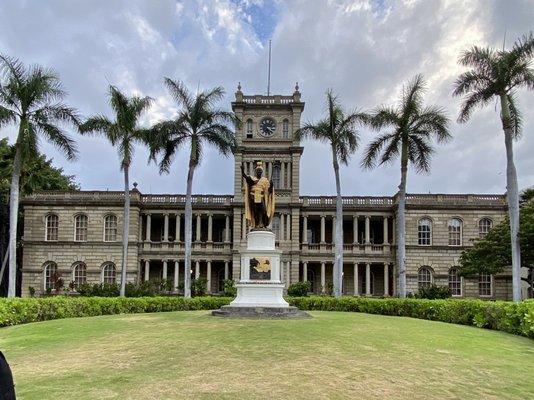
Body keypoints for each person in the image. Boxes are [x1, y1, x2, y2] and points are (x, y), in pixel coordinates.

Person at [242, 161, 275, 229]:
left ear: (262, 172)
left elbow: (269, 191)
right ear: (256, 171)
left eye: (260, 171)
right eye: (258, 170)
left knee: (263, 210)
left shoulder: (265, 180)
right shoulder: (252, 179)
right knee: (255, 211)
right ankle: (257, 225)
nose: (259, 172)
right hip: (253, 196)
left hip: (261, 196)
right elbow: (246, 178)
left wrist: (271, 185)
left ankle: (262, 223)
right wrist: (242, 171)